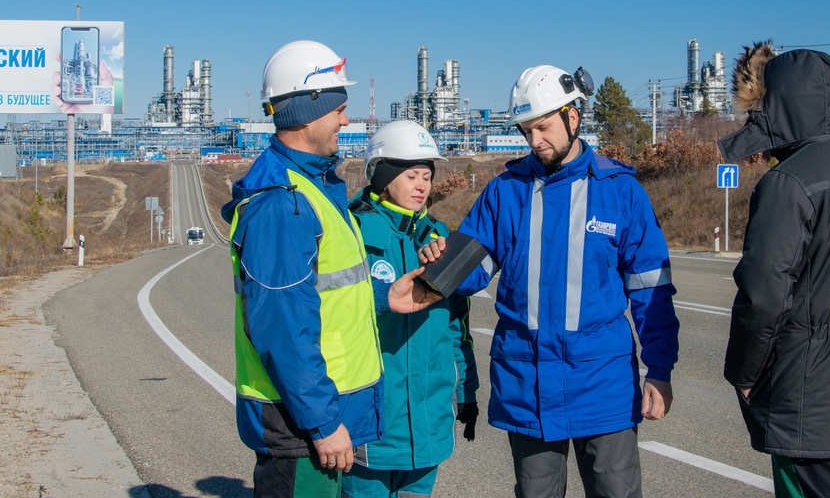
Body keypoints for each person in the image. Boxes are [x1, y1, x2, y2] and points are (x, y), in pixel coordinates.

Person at [421, 64, 680, 498]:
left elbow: (650, 288)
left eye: (542, 127)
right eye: (526, 131)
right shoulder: (505, 192)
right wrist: (437, 262)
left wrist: (660, 368)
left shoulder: (621, 191)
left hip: (604, 387)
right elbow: (473, 268)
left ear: (572, 117)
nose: (534, 141)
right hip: (526, 385)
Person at [222, 40, 439, 498]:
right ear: (305, 109)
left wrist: (385, 296)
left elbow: (326, 295)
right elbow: (282, 328)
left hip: (318, 414)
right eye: (339, 108)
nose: (345, 119)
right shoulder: (285, 203)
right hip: (302, 425)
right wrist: (322, 423)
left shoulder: (313, 189)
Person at [718, 44, 830, 498]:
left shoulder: (790, 183)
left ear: (779, 105)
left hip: (800, 387)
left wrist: (744, 373)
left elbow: (762, 295)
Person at [342, 120, 479, 498]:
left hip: (428, 426)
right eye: (411, 176)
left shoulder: (439, 239)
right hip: (370, 426)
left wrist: (467, 390)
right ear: (383, 177)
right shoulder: (351, 232)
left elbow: (457, 325)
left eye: (427, 176)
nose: (422, 186)